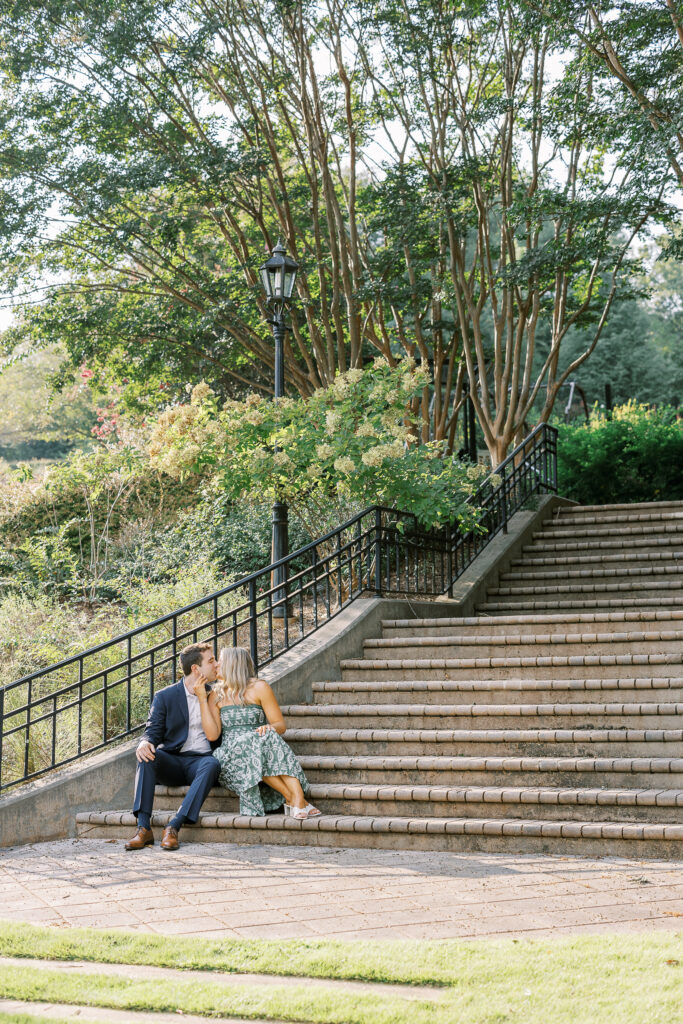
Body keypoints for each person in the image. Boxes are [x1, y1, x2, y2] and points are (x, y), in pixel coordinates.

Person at [125, 642, 221, 851]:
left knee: (212, 764)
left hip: (201, 762)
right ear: (196, 669)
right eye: (211, 660)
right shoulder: (165, 696)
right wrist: (144, 742)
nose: (217, 664)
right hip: (174, 761)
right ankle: (143, 828)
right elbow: (153, 729)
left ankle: (174, 826)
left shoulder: (214, 694)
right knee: (147, 754)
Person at [207, 647, 320, 819]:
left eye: (220, 661)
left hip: (262, 744)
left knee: (265, 737)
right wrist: (202, 698)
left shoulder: (260, 687)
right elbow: (213, 735)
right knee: (255, 746)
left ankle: (295, 798)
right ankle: (295, 798)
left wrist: (270, 727)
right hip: (231, 754)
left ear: (232, 664)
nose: (216, 665)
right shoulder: (215, 695)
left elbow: (280, 725)